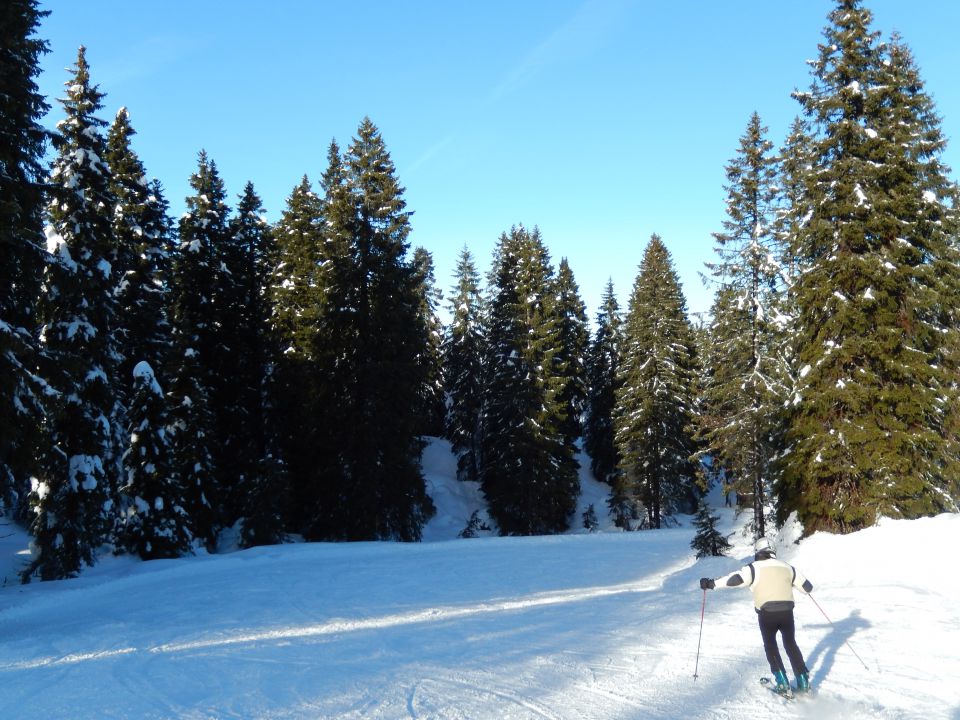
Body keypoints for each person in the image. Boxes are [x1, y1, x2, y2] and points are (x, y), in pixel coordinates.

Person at [699, 537, 814, 695]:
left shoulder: (754, 568)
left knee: (771, 645)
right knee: (790, 643)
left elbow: (735, 580)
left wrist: (711, 584)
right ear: (773, 551)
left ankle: (782, 682)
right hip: (787, 613)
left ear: (758, 552)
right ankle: (803, 680)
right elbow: (808, 587)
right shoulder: (788, 567)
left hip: (767, 614)